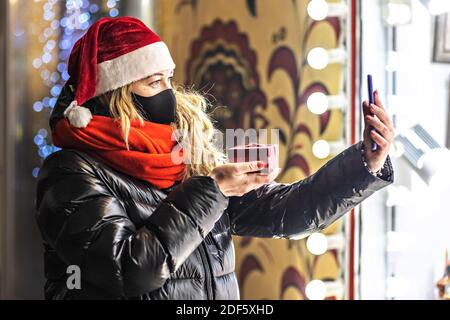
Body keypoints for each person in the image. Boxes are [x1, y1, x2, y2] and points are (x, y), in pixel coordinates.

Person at [35, 16, 395, 300]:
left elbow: (285, 213)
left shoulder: (183, 156)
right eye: (152, 82)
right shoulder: (70, 172)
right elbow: (129, 270)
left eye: (168, 79)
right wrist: (212, 189)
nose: (169, 95)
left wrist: (367, 163)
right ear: (114, 95)